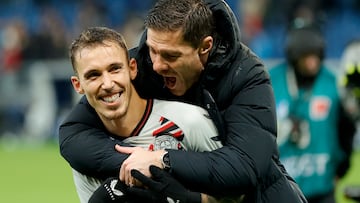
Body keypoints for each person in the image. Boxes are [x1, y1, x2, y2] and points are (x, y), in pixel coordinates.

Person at [59, 0, 306, 202]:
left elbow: (244, 168)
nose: (156, 64)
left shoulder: (247, 77)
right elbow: (73, 134)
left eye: (170, 56)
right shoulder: (140, 65)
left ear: (204, 47)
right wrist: (135, 166)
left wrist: (161, 160)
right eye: (152, 50)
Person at [67, 26, 226, 203]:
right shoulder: (85, 158)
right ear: (78, 85)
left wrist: (191, 200)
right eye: (93, 75)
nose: (107, 84)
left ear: (132, 68)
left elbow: (238, 196)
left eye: (115, 69)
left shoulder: (190, 121)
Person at [268, 24, 356, 203]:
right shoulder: (271, 82)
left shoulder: (332, 83)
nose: (312, 62)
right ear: (294, 56)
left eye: (316, 56)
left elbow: (347, 130)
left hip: (322, 189)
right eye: (306, 57)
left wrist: (341, 170)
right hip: (282, 189)